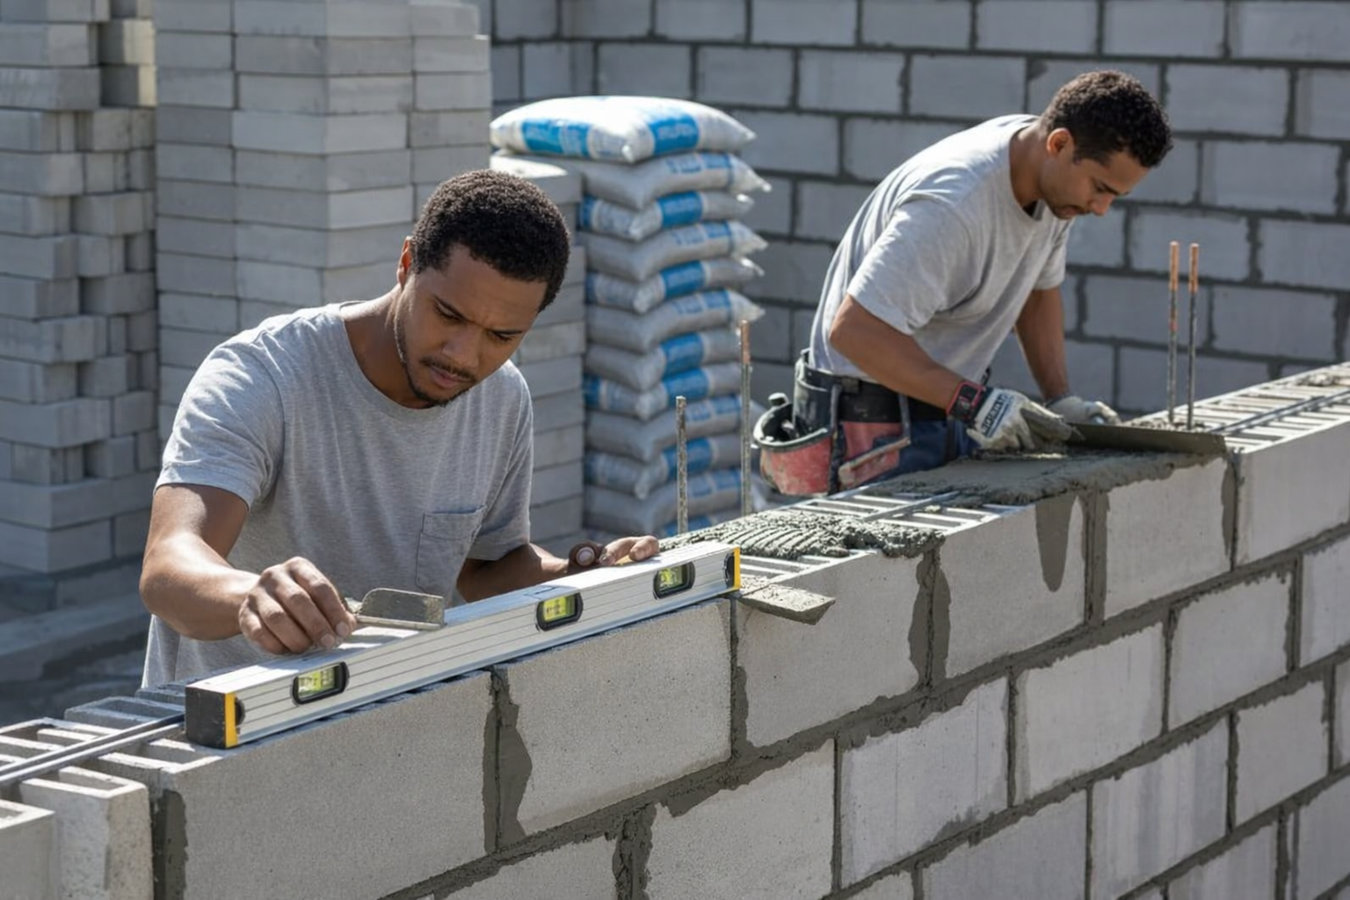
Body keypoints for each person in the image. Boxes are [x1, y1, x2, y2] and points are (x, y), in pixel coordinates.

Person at [139, 170, 657, 686]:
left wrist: (571, 579)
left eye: (501, 336)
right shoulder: (263, 376)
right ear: (406, 264)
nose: (464, 355)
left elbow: (487, 568)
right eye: (448, 315)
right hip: (225, 732)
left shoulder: (501, 398)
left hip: (387, 723)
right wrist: (252, 597)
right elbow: (168, 569)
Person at [761, 70, 1173, 494]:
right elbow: (855, 332)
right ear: (1059, 143)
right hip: (871, 429)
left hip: (943, 407)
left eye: (1114, 196)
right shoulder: (953, 206)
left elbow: (1035, 291)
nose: (1102, 208)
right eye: (1100, 188)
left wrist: (1060, 398)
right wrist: (973, 403)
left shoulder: (1054, 185)